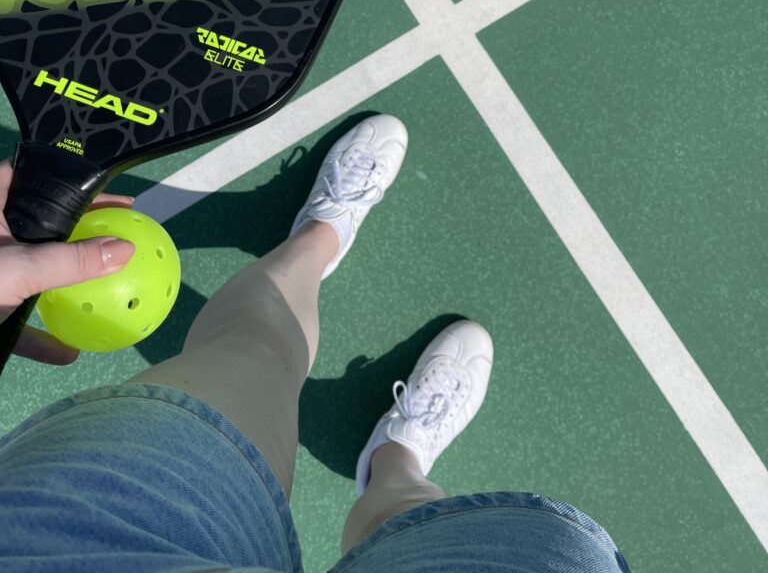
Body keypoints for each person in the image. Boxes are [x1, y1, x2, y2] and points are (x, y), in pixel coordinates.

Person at [0, 115, 632, 572]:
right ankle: (398, 465)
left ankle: (318, 240)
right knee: (538, 549)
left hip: (64, 543)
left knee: (258, 351)